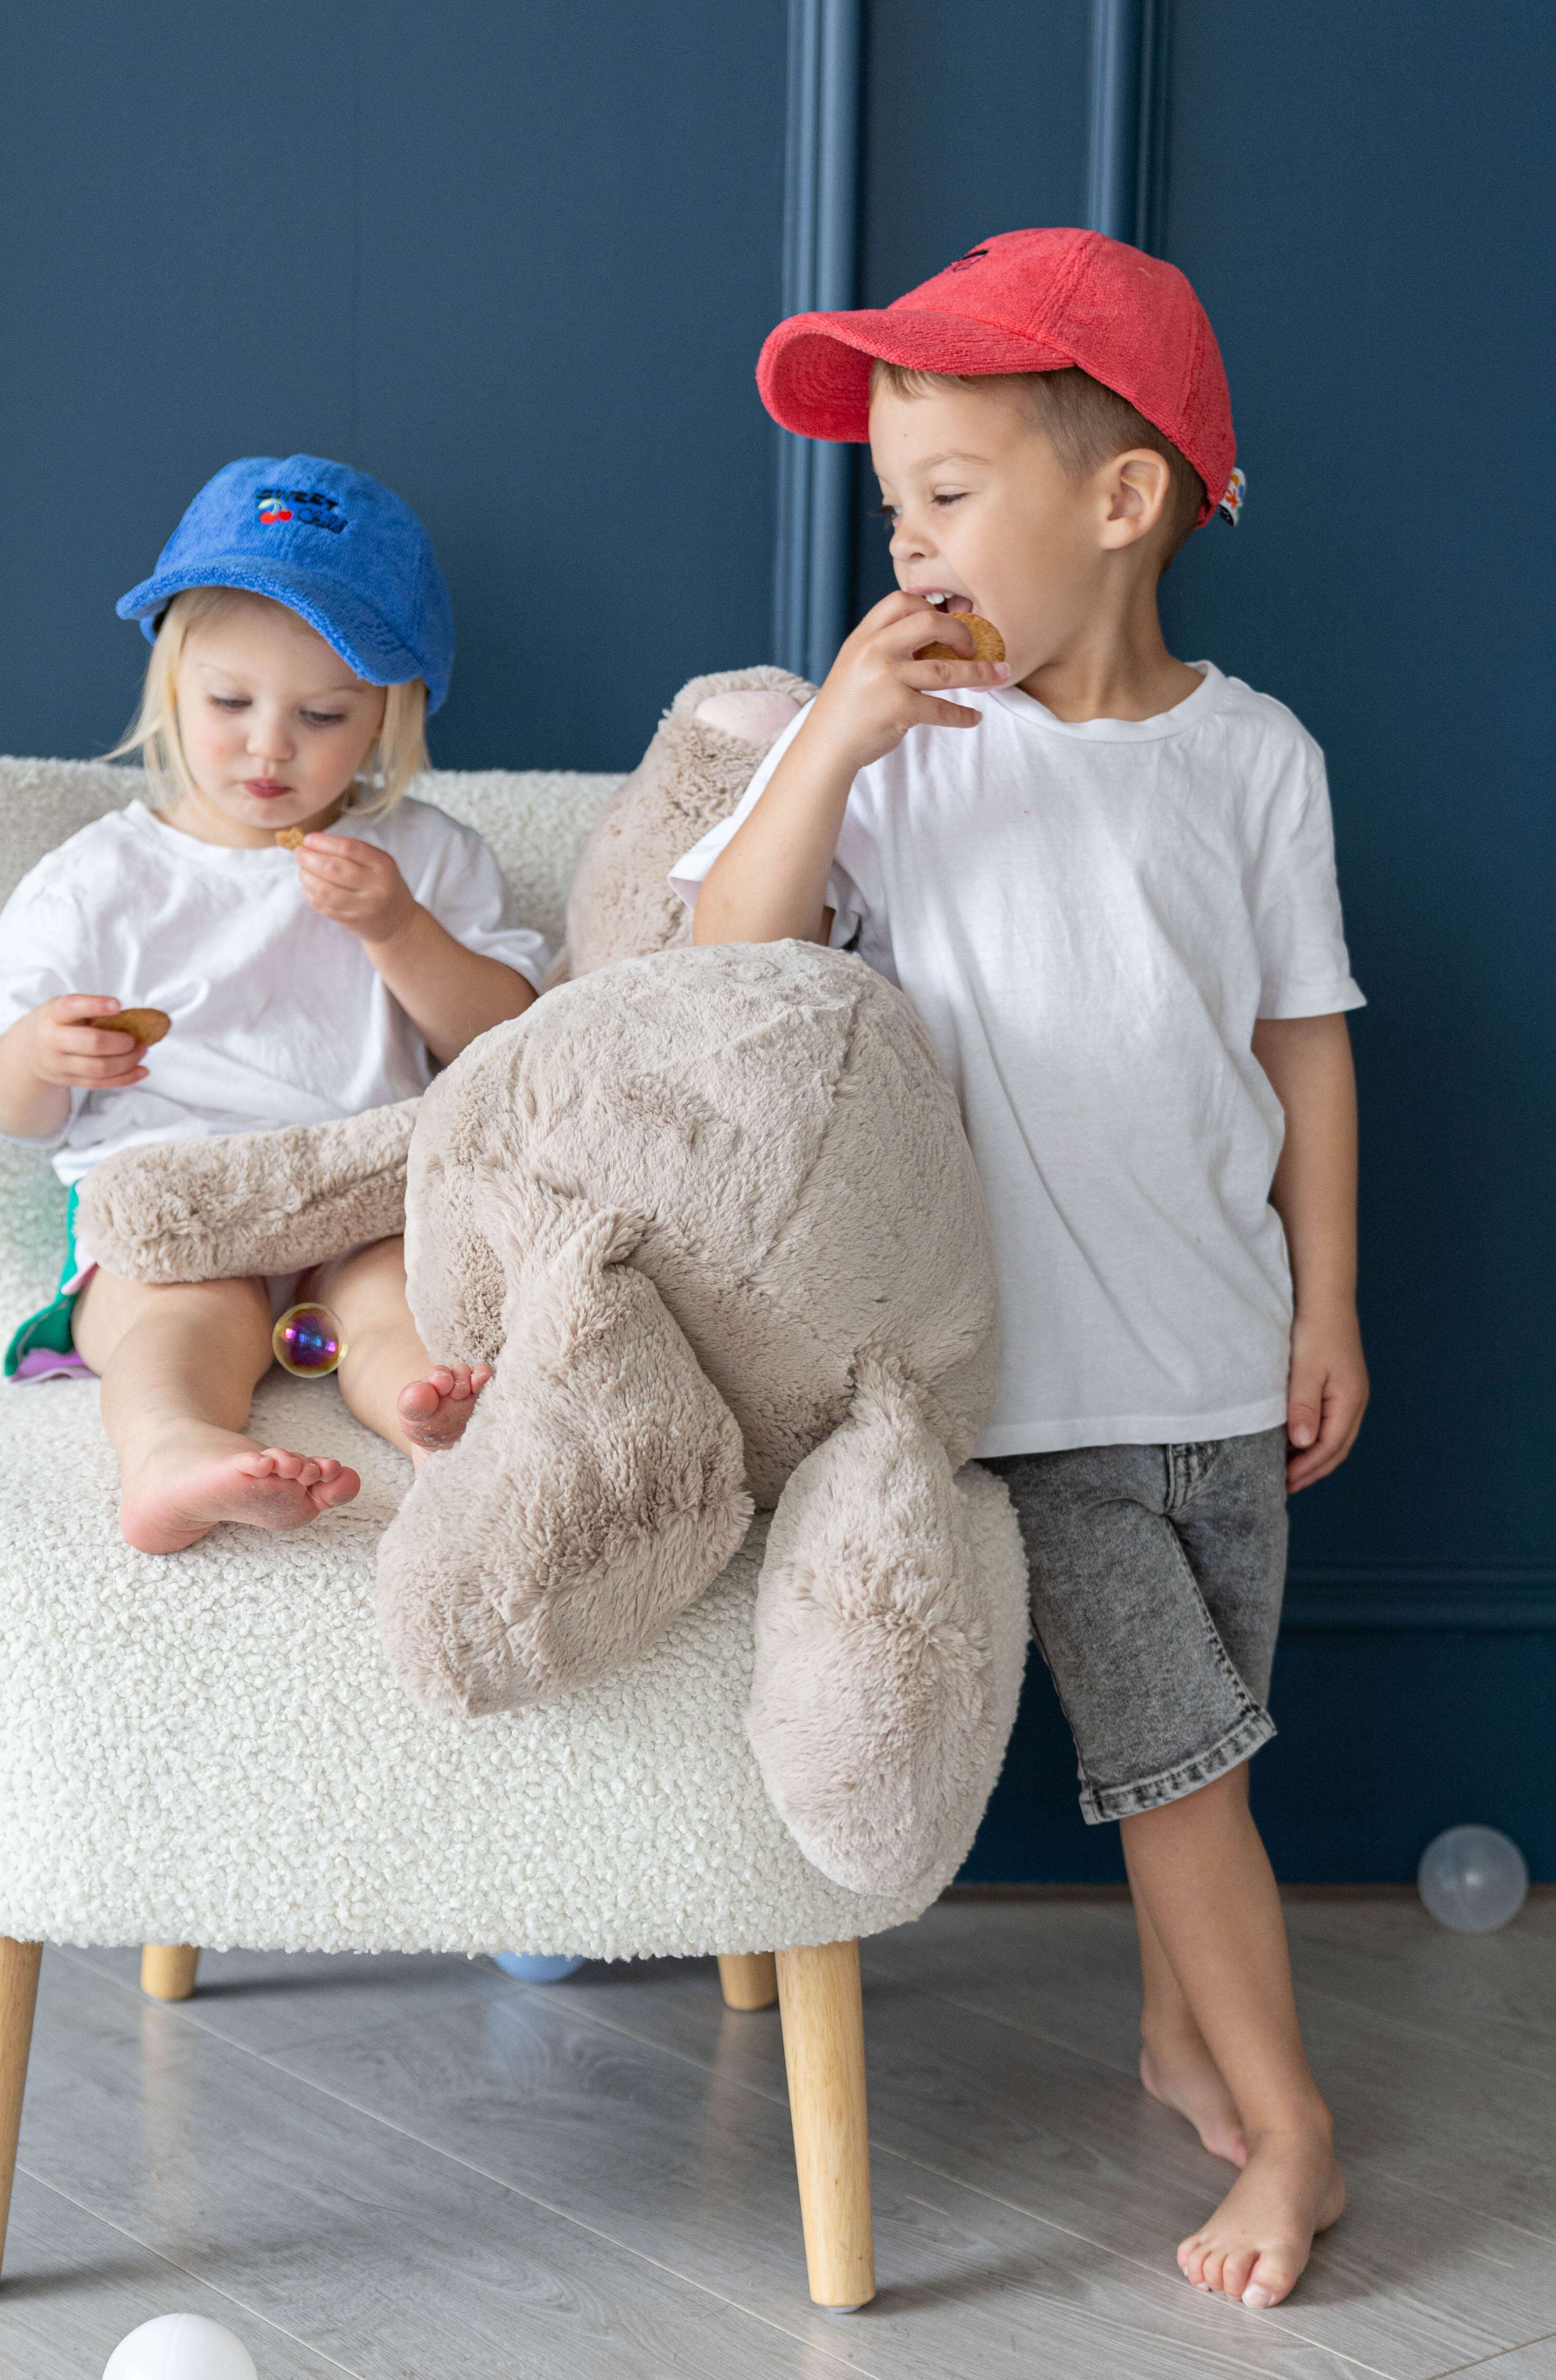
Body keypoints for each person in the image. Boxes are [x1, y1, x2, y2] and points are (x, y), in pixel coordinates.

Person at [673, 228, 1366, 2311]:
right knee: (1188, 1779)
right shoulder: (915, 759)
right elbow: (729, 961)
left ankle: (1180, 2036)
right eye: (895, 509)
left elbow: (1305, 1046)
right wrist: (841, 739)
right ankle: (1301, 2122)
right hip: (1042, 1392)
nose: (912, 545)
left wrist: (1327, 1302)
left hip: (1227, 1363)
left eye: (951, 497)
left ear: (1123, 500)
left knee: (1216, 1734)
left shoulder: (1257, 762)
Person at [0, 455, 549, 1552]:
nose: (269, 745)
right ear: (172, 688)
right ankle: (174, 1449)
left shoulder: (424, 856)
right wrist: (42, 1058)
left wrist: (398, 930)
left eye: (323, 714)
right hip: (180, 1198)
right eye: (230, 702)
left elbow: (504, 1045)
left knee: (399, 1305)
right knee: (179, 1318)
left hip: (360, 1189)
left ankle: (440, 1427)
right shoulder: (101, 877)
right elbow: (4, 1104)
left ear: (389, 716)